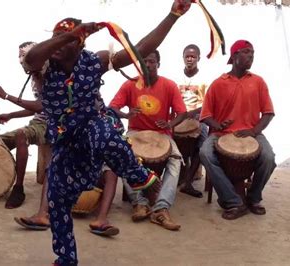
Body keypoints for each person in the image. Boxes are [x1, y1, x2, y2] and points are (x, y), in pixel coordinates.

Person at [22, 1, 191, 264]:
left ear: (80, 46)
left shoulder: (95, 60)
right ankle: (66, 259)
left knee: (101, 129)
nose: (57, 44)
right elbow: (31, 57)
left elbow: (141, 50)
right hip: (66, 143)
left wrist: (173, 15)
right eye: (55, 38)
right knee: (56, 200)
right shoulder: (42, 65)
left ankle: (139, 177)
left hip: (96, 130)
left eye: (65, 40)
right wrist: (68, 35)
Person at [199, 39, 276, 220]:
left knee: (269, 158)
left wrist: (254, 131)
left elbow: (268, 113)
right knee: (205, 153)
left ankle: (253, 198)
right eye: (246, 52)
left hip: (252, 133)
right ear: (234, 56)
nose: (251, 56)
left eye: (253, 53)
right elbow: (205, 115)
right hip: (221, 134)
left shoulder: (258, 82)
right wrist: (218, 126)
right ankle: (233, 201)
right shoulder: (218, 83)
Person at [110, 50, 187, 231]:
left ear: (158, 64)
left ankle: (161, 208)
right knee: (122, 154)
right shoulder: (130, 85)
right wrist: (126, 114)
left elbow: (182, 112)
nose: (147, 65)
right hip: (135, 133)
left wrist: (169, 123)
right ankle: (139, 202)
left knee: (175, 159)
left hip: (162, 134)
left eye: (151, 61)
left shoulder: (169, 85)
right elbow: (112, 107)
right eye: (143, 61)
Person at [0, 41, 48, 209]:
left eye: (23, 57)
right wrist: (11, 115)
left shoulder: (48, 75)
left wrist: (6, 96)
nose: (20, 61)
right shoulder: (35, 75)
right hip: (38, 122)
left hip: (53, 125)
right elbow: (35, 106)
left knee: (21, 134)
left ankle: (18, 188)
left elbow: (41, 106)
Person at [14, 167, 120, 237]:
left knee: (112, 173)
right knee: (52, 167)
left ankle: (101, 219)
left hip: (97, 169)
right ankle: (42, 215)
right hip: (75, 166)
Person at [175, 44, 210, 198]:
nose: (190, 59)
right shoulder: (175, 78)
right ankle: (178, 175)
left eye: (193, 56)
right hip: (179, 118)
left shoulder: (204, 80)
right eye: (187, 56)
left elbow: (208, 105)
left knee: (202, 148)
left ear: (198, 58)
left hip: (198, 119)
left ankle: (187, 182)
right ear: (183, 58)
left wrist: (194, 113)